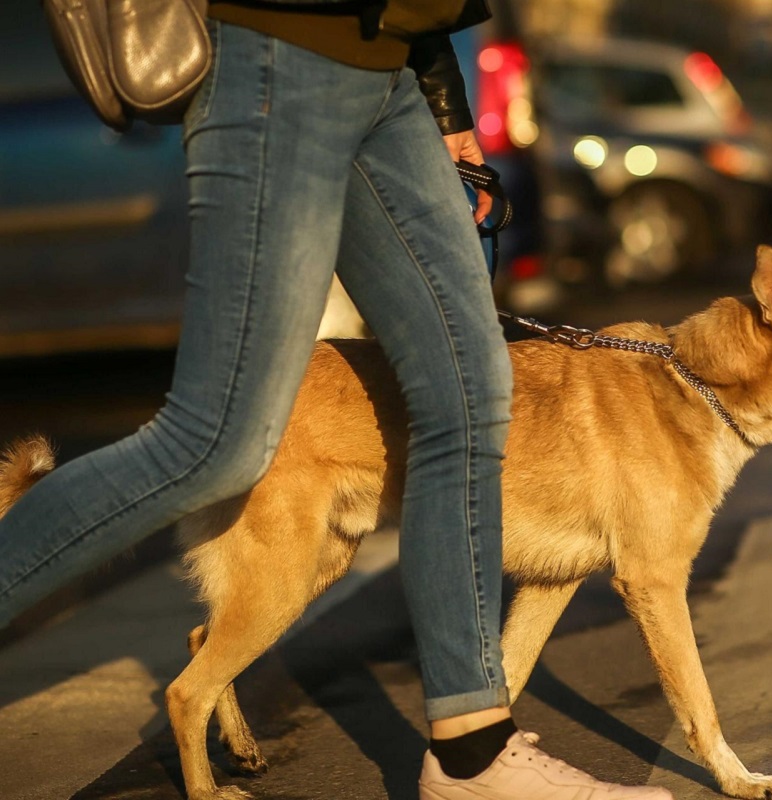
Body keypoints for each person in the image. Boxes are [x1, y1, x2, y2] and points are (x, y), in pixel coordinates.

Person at [0, 1, 671, 797]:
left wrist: (445, 101)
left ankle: (471, 753)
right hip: (277, 60)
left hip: (389, 70)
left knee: (468, 392)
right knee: (218, 440)